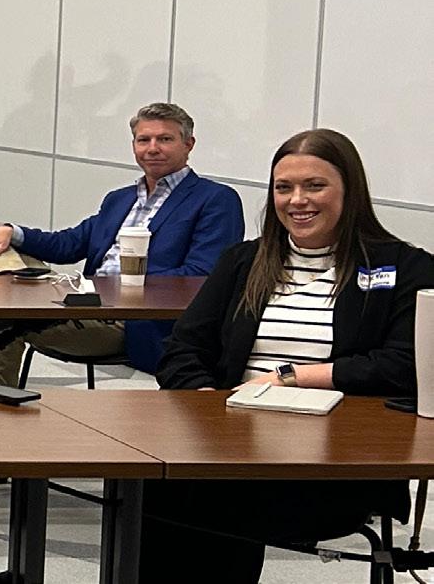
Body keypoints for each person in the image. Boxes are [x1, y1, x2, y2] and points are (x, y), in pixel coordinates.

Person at [140, 128, 433, 582]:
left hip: (334, 462)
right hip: (230, 447)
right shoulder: (243, 262)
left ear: (349, 190)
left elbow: (404, 365)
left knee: (211, 504)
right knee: (152, 486)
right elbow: (182, 349)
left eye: (315, 186)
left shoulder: (404, 267)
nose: (297, 200)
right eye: (284, 187)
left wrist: (288, 377)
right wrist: (207, 403)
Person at [0, 103, 243, 383]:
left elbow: (200, 277)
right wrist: (11, 232)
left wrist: (113, 287)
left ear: (188, 144)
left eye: (165, 139)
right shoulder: (120, 199)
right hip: (81, 302)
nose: (152, 148)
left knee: (0, 321)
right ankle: (13, 302)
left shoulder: (215, 199)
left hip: (131, 322)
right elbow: (68, 244)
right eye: (143, 140)